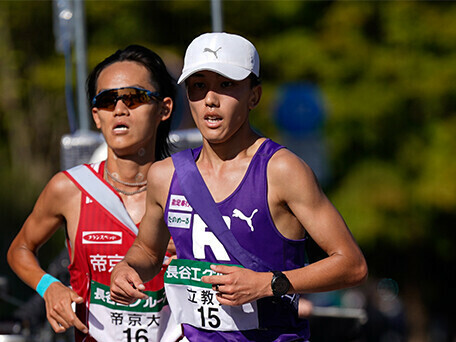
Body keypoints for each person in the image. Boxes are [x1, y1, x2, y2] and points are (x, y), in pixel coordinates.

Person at [110, 33, 368, 341]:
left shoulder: (282, 170)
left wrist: (267, 284)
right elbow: (147, 251)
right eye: (199, 86)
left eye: (227, 85)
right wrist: (127, 267)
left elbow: (352, 265)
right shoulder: (165, 175)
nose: (211, 99)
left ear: (254, 96)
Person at [8, 45, 182, 342]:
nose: (119, 109)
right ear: (96, 116)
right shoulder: (69, 188)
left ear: (164, 109)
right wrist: (48, 285)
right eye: (107, 100)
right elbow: (19, 250)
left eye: (135, 97)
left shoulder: (191, 187)